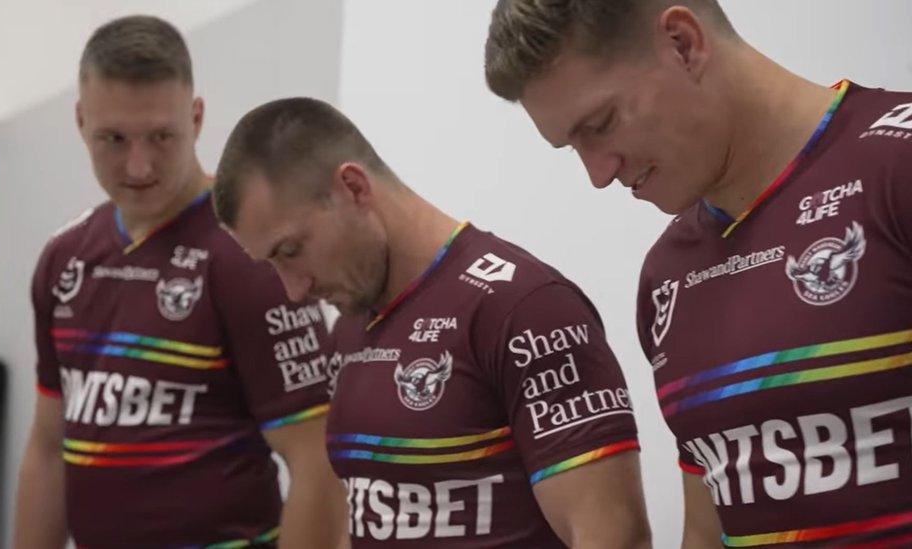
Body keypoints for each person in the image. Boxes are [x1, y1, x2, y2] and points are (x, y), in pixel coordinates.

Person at [485, 1, 912, 547]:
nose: (597, 173)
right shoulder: (668, 274)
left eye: (600, 125)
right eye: (572, 147)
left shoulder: (894, 170)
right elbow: (708, 532)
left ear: (684, 43)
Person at [211, 97, 652, 548]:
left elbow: (616, 539)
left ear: (354, 188)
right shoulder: (350, 327)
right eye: (272, 264)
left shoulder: (523, 309)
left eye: (290, 251)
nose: (293, 289)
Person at [12, 16, 346, 549]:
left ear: (196, 117)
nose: (139, 165)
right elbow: (49, 448)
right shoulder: (65, 257)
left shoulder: (250, 256)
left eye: (161, 136)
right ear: (80, 122)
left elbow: (317, 462)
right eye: (113, 139)